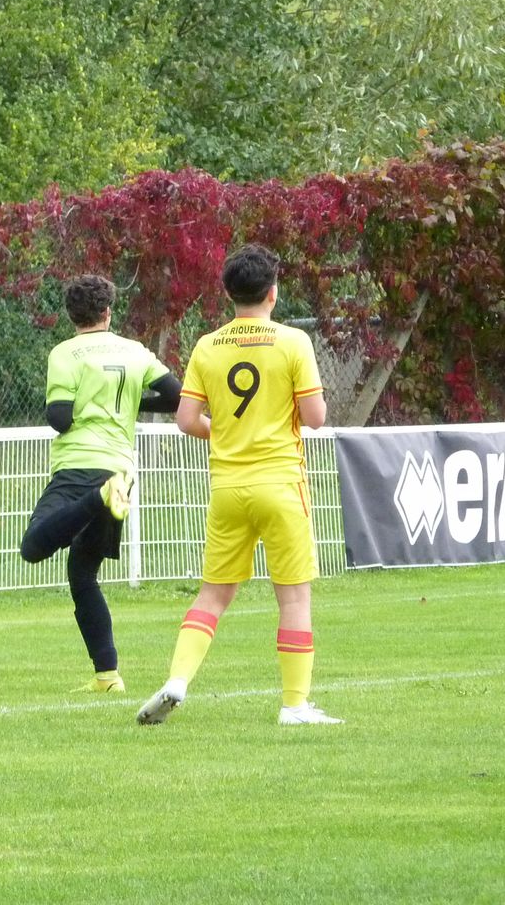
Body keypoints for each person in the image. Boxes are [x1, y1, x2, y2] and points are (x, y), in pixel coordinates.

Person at [136, 244, 338, 726]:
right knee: (294, 597)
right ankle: (294, 705)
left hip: (228, 488)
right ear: (273, 293)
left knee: (212, 594)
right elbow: (315, 417)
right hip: (281, 484)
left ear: (229, 294)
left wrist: (226, 431)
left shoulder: (208, 346)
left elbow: (187, 420)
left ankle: (177, 680)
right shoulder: (293, 342)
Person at [20, 275, 182, 693]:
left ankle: (98, 498)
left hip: (80, 468)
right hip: (120, 471)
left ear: (71, 316)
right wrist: (129, 403)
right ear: (108, 312)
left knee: (33, 547)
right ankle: (108, 677)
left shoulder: (65, 353)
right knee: (83, 573)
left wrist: (86, 404)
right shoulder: (134, 350)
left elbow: (59, 418)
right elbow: (176, 397)